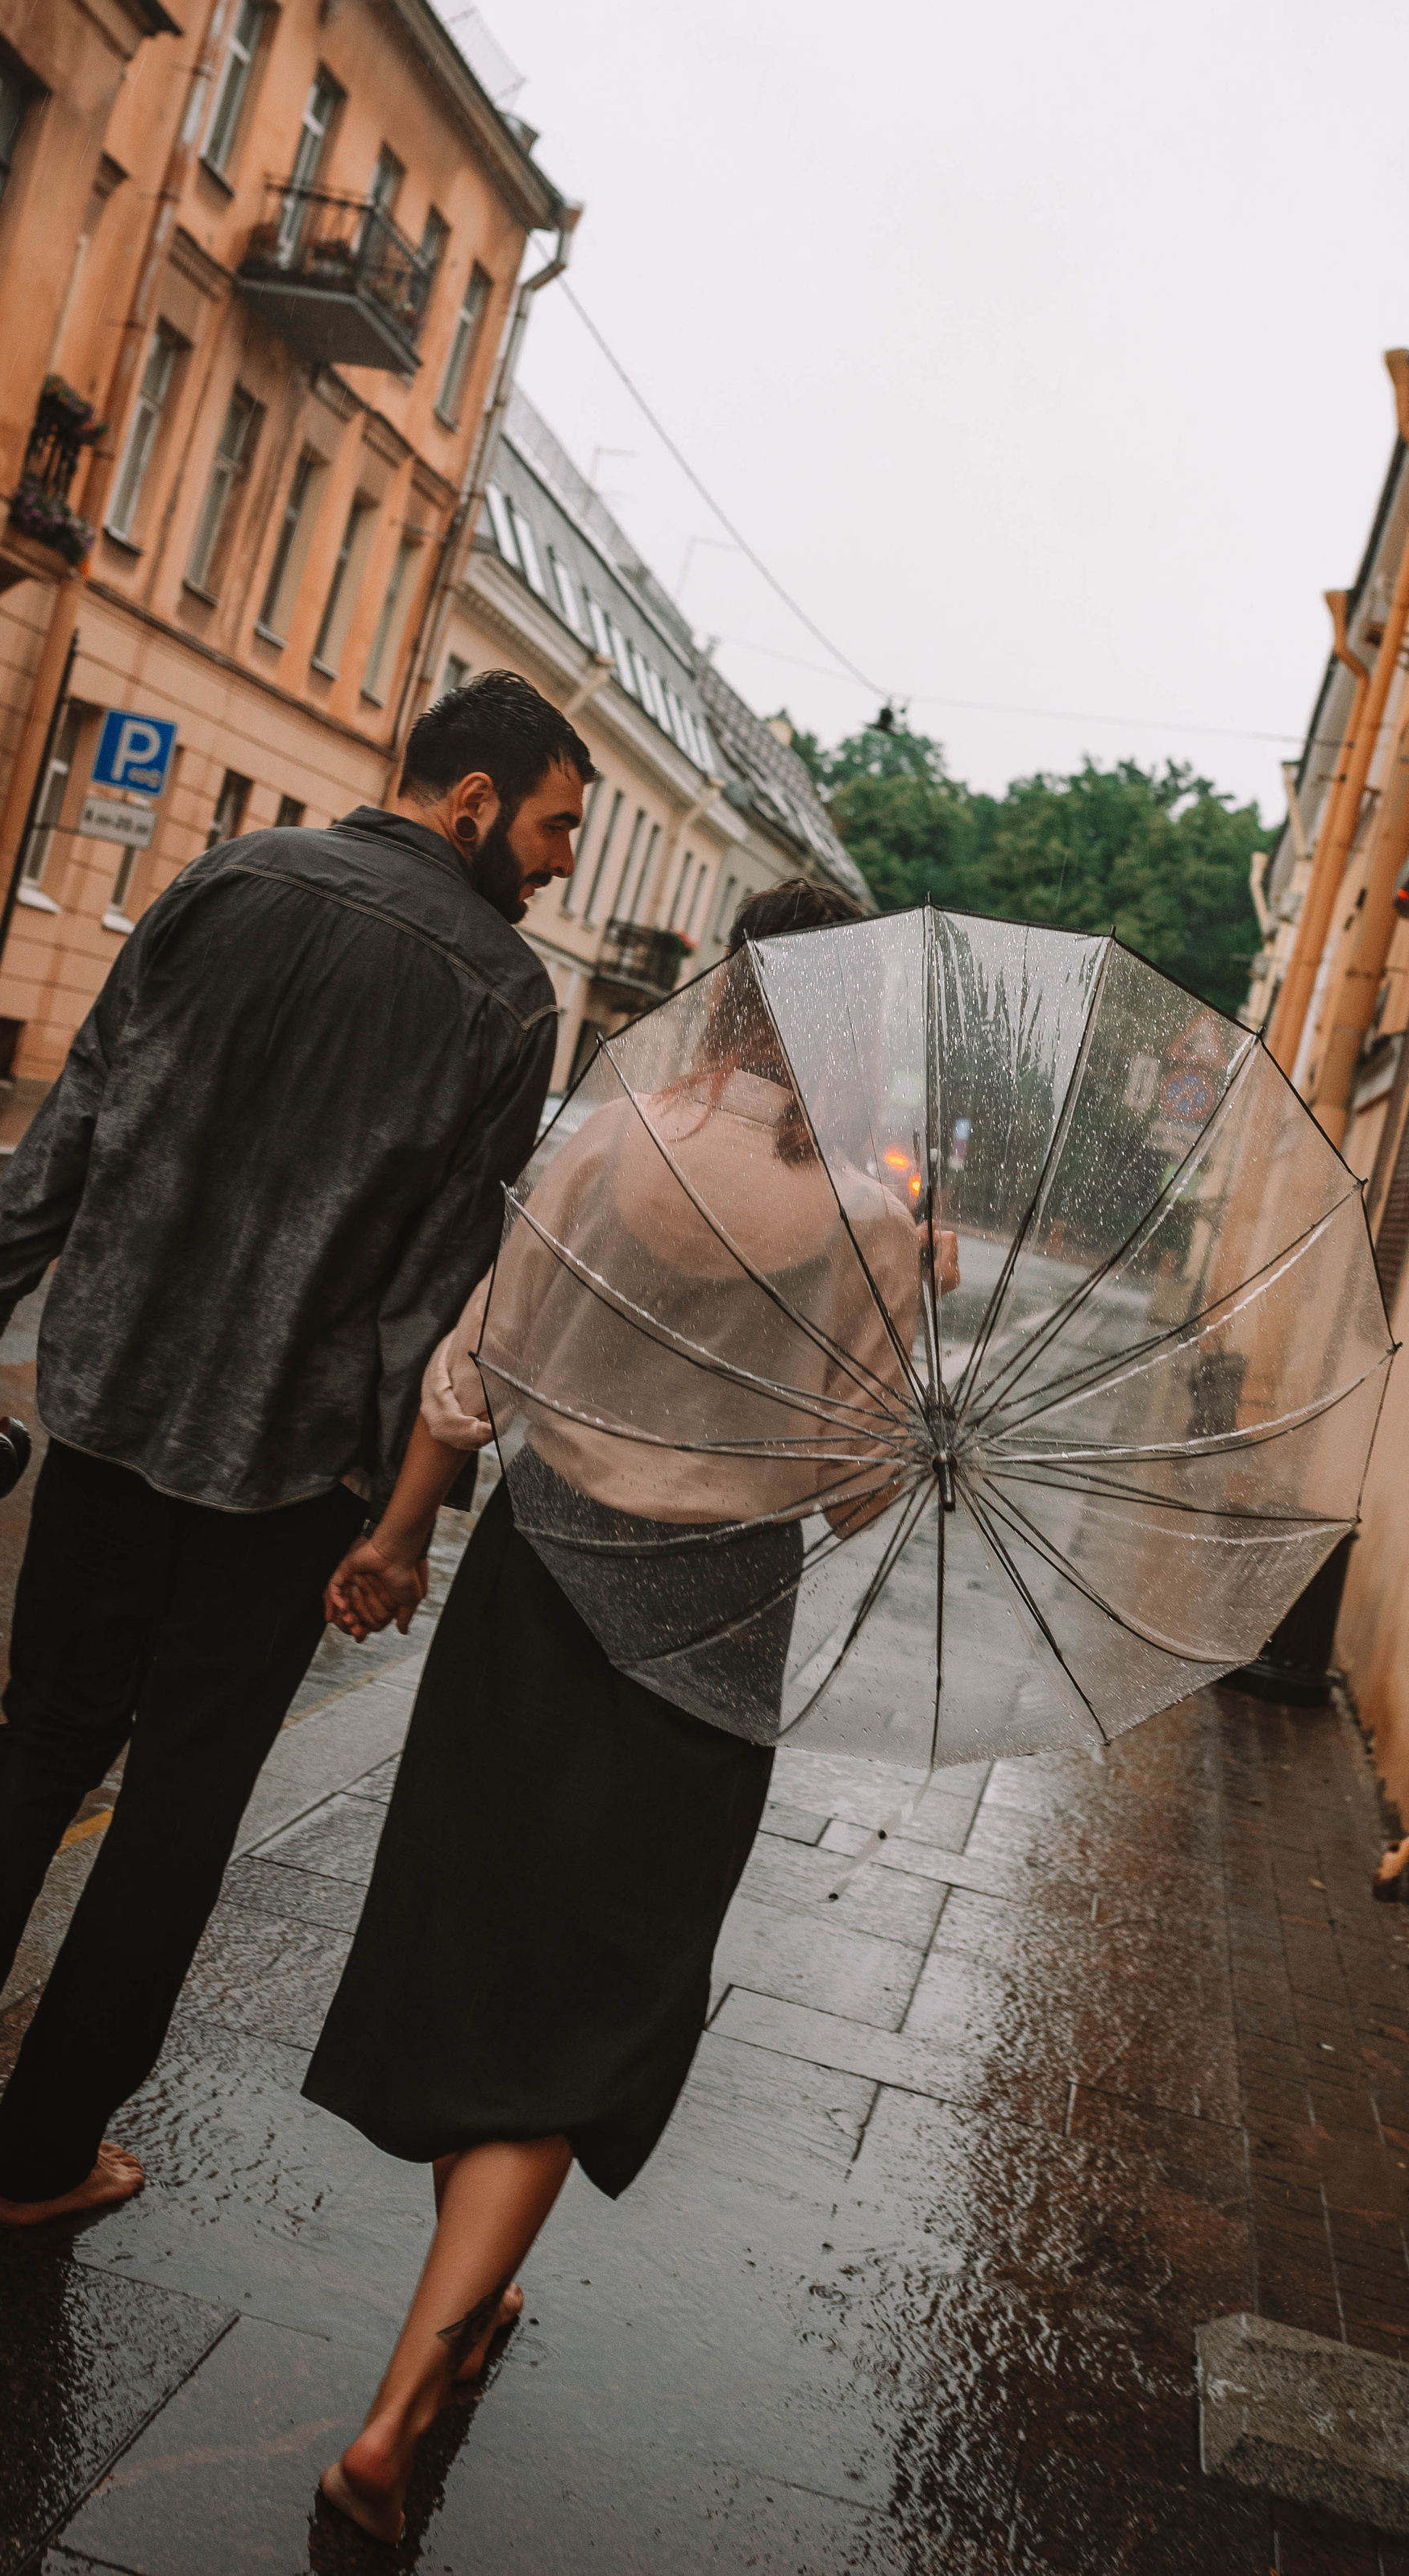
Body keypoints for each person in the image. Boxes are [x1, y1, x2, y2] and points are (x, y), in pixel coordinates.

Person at [0, 671, 593, 2269]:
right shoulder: (505, 994)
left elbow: (84, 1108)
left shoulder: (225, 877)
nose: (557, 863)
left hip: (112, 1405)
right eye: (549, 827)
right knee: (177, 1810)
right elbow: (442, 1290)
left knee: (35, 1750)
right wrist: (402, 1515)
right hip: (288, 1469)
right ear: (470, 802)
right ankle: (39, 2155)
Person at [300, 878, 930, 2549]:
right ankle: (398, 2401)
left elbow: (476, 1361)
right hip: (705, 1638)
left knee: (492, 1951)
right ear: (853, 1022)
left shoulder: (600, 1142)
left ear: (722, 993)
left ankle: (459, 2309)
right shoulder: (868, 1224)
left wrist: (393, 1531)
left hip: (524, 1597)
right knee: (587, 2008)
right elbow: (861, 1489)